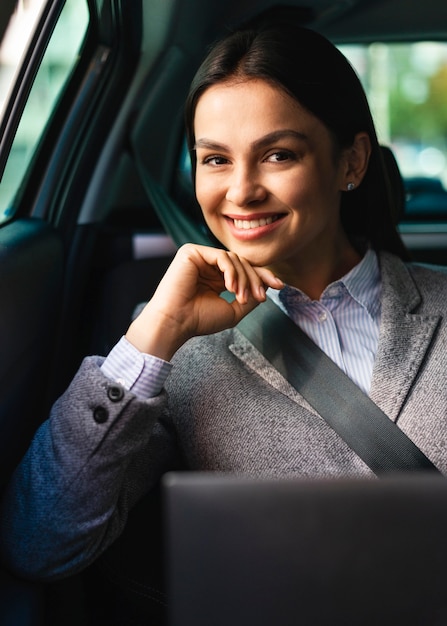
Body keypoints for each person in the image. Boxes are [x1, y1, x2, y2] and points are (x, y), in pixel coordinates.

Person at [2, 17, 447, 586]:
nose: (240, 191)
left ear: (351, 163)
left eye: (278, 155)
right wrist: (155, 333)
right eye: (215, 159)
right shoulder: (171, 351)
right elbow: (39, 540)